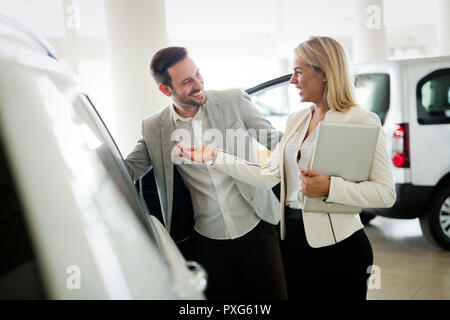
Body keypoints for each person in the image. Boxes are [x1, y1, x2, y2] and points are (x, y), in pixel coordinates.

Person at [173, 36, 396, 300]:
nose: (292, 81)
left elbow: (385, 194)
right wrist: (214, 156)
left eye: (298, 72)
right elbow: (267, 175)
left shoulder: (361, 120)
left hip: (340, 248)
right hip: (292, 244)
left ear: (323, 72)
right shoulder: (297, 120)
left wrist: (330, 187)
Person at [124, 46, 287, 300]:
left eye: (198, 74)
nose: (198, 84)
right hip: (207, 241)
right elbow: (130, 168)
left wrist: (308, 145)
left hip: (257, 226)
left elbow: (275, 141)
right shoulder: (154, 127)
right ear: (166, 90)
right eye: (187, 81)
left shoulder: (234, 100)